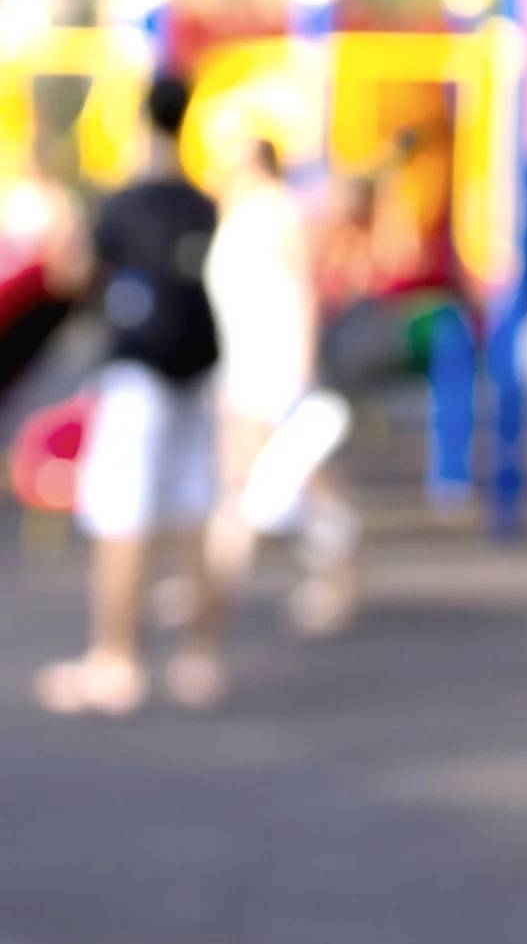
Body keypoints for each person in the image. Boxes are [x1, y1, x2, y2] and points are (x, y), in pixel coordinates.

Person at [35, 72, 226, 715]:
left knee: (123, 516)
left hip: (139, 373)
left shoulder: (123, 203)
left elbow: (71, 273)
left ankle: (115, 660)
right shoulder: (204, 204)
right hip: (197, 375)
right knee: (193, 510)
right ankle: (199, 657)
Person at [201, 133, 321, 609]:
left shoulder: (277, 210)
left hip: (273, 361)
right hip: (240, 361)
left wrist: (302, 363)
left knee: (289, 475)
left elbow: (303, 287)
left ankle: (331, 568)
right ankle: (214, 582)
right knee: (241, 478)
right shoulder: (236, 213)